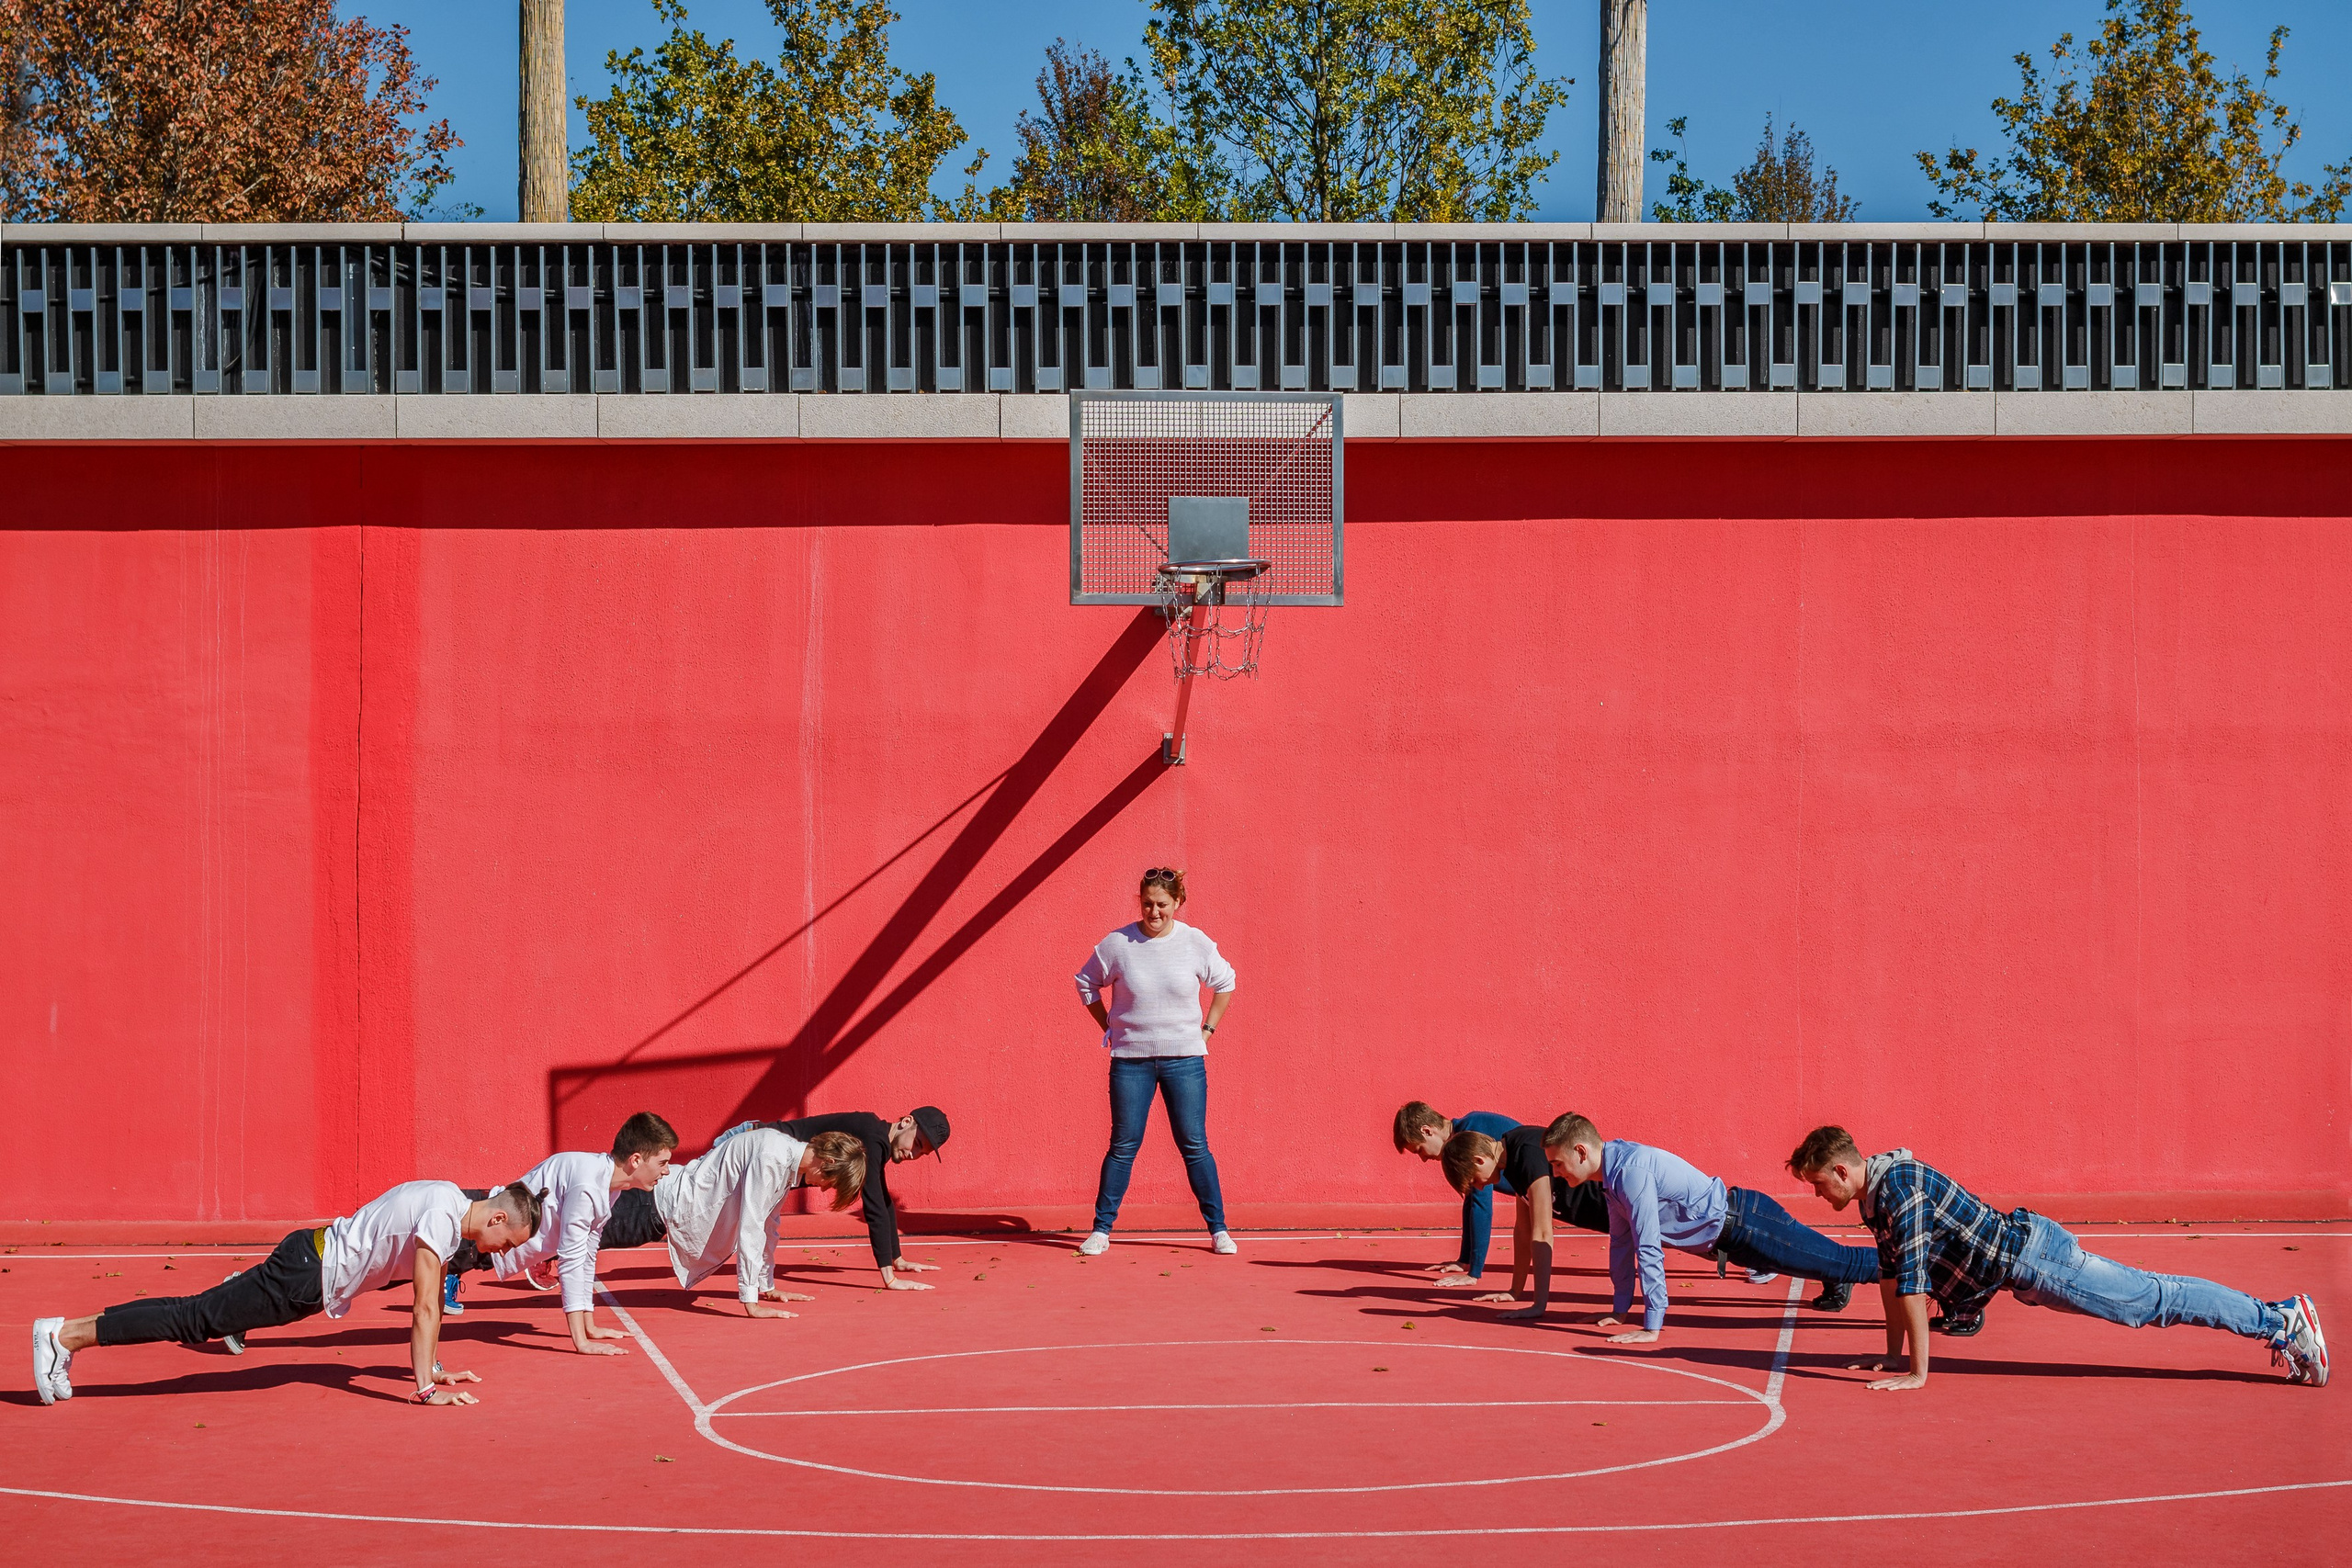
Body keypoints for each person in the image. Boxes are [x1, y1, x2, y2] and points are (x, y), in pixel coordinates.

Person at [1787, 1125, 2329, 1392]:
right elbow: (1889, 1277)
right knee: (2151, 1300)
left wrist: (1916, 1373)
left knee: (2153, 1301)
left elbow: (1911, 1284)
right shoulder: (1876, 1194)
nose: (1816, 1195)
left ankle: (2279, 1321)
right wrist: (1892, 1355)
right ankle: (2277, 1319)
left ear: (1841, 1171)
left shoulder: (1899, 1192)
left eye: (1817, 1184)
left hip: (2041, 1262)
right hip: (2030, 1264)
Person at [33, 1182, 541, 1407]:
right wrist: (426, 1388)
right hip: (304, 1275)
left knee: (200, 1315)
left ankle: (69, 1335)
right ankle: (65, 1336)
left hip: (309, 1267)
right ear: (497, 1217)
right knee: (195, 1320)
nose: (503, 1253)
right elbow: (425, 1306)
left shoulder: (448, 1199)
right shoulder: (443, 1220)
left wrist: (430, 1366)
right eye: (508, 1243)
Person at [1537, 1113, 1880, 1342]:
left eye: (1558, 1163)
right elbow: (1621, 1244)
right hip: (1739, 1235)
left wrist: (1652, 1325)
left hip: (1748, 1225)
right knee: (1833, 1263)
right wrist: (1620, 1309)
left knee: (1846, 1263)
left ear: (1581, 1151)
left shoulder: (1629, 1173)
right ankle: (1851, 1274)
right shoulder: (1613, 1176)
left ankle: (1911, 1266)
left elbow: (1647, 1246)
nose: (1555, 1173)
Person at [1073, 866, 1237, 1257]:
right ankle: (1100, 1231)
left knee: (1194, 1144)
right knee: (1123, 1145)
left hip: (1185, 1061)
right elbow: (1085, 982)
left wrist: (1207, 1031)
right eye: (1147, 904)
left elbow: (1226, 982)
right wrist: (1109, 1025)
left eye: (1162, 904)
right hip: (1131, 1062)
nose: (1154, 912)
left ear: (1177, 902)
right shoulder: (1118, 944)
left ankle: (1219, 1230)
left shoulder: (1195, 942)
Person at [441, 1111, 679, 1352]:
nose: (667, 1171)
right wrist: (581, 1342)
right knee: (414, 1283)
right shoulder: (588, 1184)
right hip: (477, 1233)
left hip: (489, 1239)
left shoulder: (609, 1185)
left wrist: (589, 1327)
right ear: (635, 1160)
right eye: (662, 1163)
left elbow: (588, 1253)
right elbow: (571, 1258)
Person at [711, 1107, 951, 1292]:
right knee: (698, 1213)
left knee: (703, 1218)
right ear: (906, 1122)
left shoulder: (877, 1139)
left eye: (922, 1153)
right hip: (746, 1147)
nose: (914, 1154)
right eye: (916, 1143)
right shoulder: (871, 1137)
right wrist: (890, 1278)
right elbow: (875, 1206)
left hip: (754, 1152)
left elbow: (884, 1201)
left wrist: (897, 1258)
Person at [652, 1126, 865, 1317]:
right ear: (828, 1162)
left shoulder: (785, 1157)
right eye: (831, 1182)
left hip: (665, 1206)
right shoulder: (773, 1158)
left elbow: (768, 1226)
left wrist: (767, 1286)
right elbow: (751, 1228)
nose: (824, 1188)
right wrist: (750, 1302)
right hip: (658, 1204)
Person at [1440, 1125, 1610, 1321]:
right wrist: (1515, 1291)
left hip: (1619, 1209)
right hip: (1612, 1219)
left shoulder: (1526, 1154)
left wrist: (1538, 1305)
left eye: (1474, 1181)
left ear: (1479, 1160)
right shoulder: (1510, 1160)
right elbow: (1523, 1230)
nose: (1479, 1187)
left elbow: (1543, 1233)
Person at [1393, 1101, 1523, 1288]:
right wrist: (1464, 1260)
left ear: (1427, 1131)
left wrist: (1474, 1274)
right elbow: (1471, 1202)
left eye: (1420, 1150)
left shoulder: (1470, 1133)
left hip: (1557, 1187)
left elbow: (1481, 1206)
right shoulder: (1465, 1129)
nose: (1423, 1159)